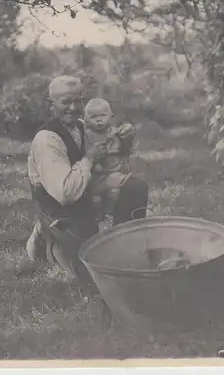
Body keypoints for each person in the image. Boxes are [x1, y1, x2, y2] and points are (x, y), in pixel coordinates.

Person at [27, 75, 148, 280]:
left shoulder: (83, 126)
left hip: (85, 198)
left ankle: (125, 248)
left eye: (78, 101)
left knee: (135, 187)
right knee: (91, 272)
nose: (73, 108)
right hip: (60, 207)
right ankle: (47, 240)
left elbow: (114, 142)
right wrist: (90, 158)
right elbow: (65, 194)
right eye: (66, 102)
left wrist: (124, 136)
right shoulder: (47, 139)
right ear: (51, 105)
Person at [84, 97, 134, 222]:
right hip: (97, 175)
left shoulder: (117, 133)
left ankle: (110, 212)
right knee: (95, 198)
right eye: (94, 117)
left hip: (114, 170)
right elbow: (86, 156)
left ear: (111, 115)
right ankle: (97, 214)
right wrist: (94, 163)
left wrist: (124, 162)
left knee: (115, 192)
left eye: (103, 115)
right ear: (86, 120)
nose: (99, 120)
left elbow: (125, 150)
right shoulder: (87, 135)